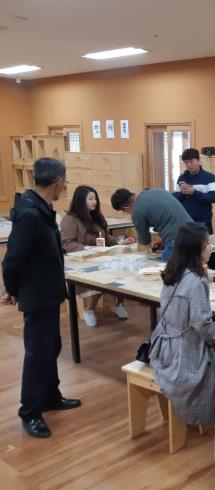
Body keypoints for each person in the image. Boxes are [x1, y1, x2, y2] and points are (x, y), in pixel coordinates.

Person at [1, 158, 81, 438]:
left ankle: (49, 396)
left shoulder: (43, 208)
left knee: (51, 346)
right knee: (37, 352)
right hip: (37, 294)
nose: (65, 186)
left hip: (48, 292)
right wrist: (12, 289)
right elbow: (12, 259)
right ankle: (30, 412)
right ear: (56, 182)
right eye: (65, 182)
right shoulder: (31, 214)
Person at [149, 222, 215, 426]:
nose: (211, 247)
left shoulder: (174, 271)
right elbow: (202, 326)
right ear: (195, 249)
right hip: (183, 354)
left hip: (163, 348)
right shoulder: (197, 281)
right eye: (207, 244)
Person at [60, 185, 135, 327]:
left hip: (99, 257)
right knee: (102, 277)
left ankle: (119, 303)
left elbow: (106, 239)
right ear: (80, 200)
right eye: (90, 199)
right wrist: (88, 249)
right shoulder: (70, 219)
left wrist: (121, 241)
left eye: (95, 198)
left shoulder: (97, 217)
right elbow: (67, 243)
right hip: (80, 261)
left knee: (122, 269)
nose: (94, 201)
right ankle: (89, 309)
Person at [111, 188, 192, 261]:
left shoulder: (137, 211)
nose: (126, 213)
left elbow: (145, 242)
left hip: (178, 240)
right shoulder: (156, 191)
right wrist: (164, 241)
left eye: (124, 211)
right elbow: (170, 218)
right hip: (194, 233)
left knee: (165, 266)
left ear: (126, 207)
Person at [173, 148, 215, 271]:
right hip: (186, 221)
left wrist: (194, 192)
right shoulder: (182, 178)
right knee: (188, 251)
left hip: (203, 221)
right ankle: (192, 272)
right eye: (186, 162)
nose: (189, 165)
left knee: (207, 250)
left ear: (199, 160)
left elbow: (214, 197)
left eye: (192, 161)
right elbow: (176, 199)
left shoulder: (209, 177)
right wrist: (183, 193)